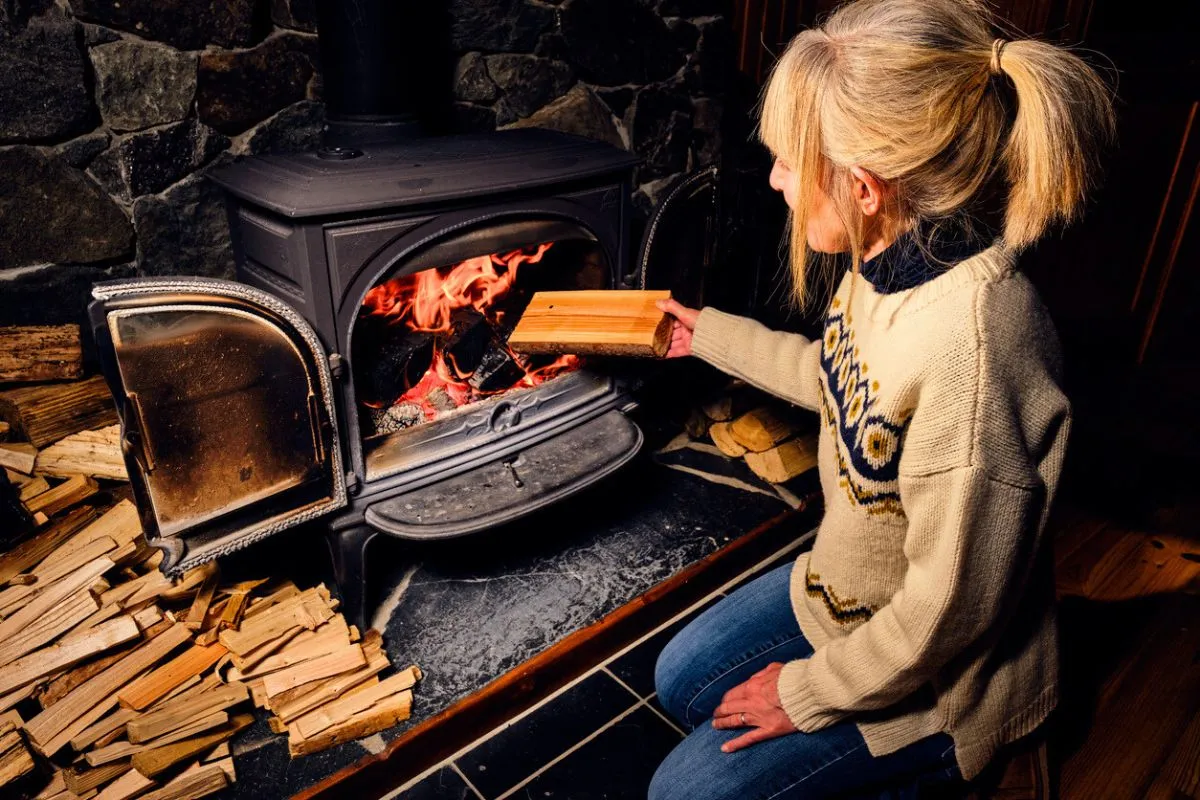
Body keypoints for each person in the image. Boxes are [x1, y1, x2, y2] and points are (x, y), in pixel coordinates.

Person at [648, 1, 1115, 797]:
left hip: (938, 681)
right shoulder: (890, 261)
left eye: (789, 164)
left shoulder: (972, 350)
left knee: (680, 793)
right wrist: (708, 337)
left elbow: (946, 614)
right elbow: (842, 388)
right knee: (678, 679)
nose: (776, 182)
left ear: (864, 187)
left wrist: (803, 695)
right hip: (847, 596)